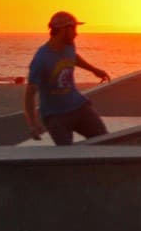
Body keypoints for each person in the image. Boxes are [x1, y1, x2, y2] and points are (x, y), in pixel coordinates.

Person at [24, 11, 111, 146]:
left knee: (105, 143)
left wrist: (94, 70)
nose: (77, 33)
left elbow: (73, 57)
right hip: (56, 116)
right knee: (66, 154)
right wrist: (33, 125)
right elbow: (29, 95)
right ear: (64, 29)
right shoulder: (41, 60)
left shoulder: (69, 45)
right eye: (74, 29)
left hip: (79, 107)